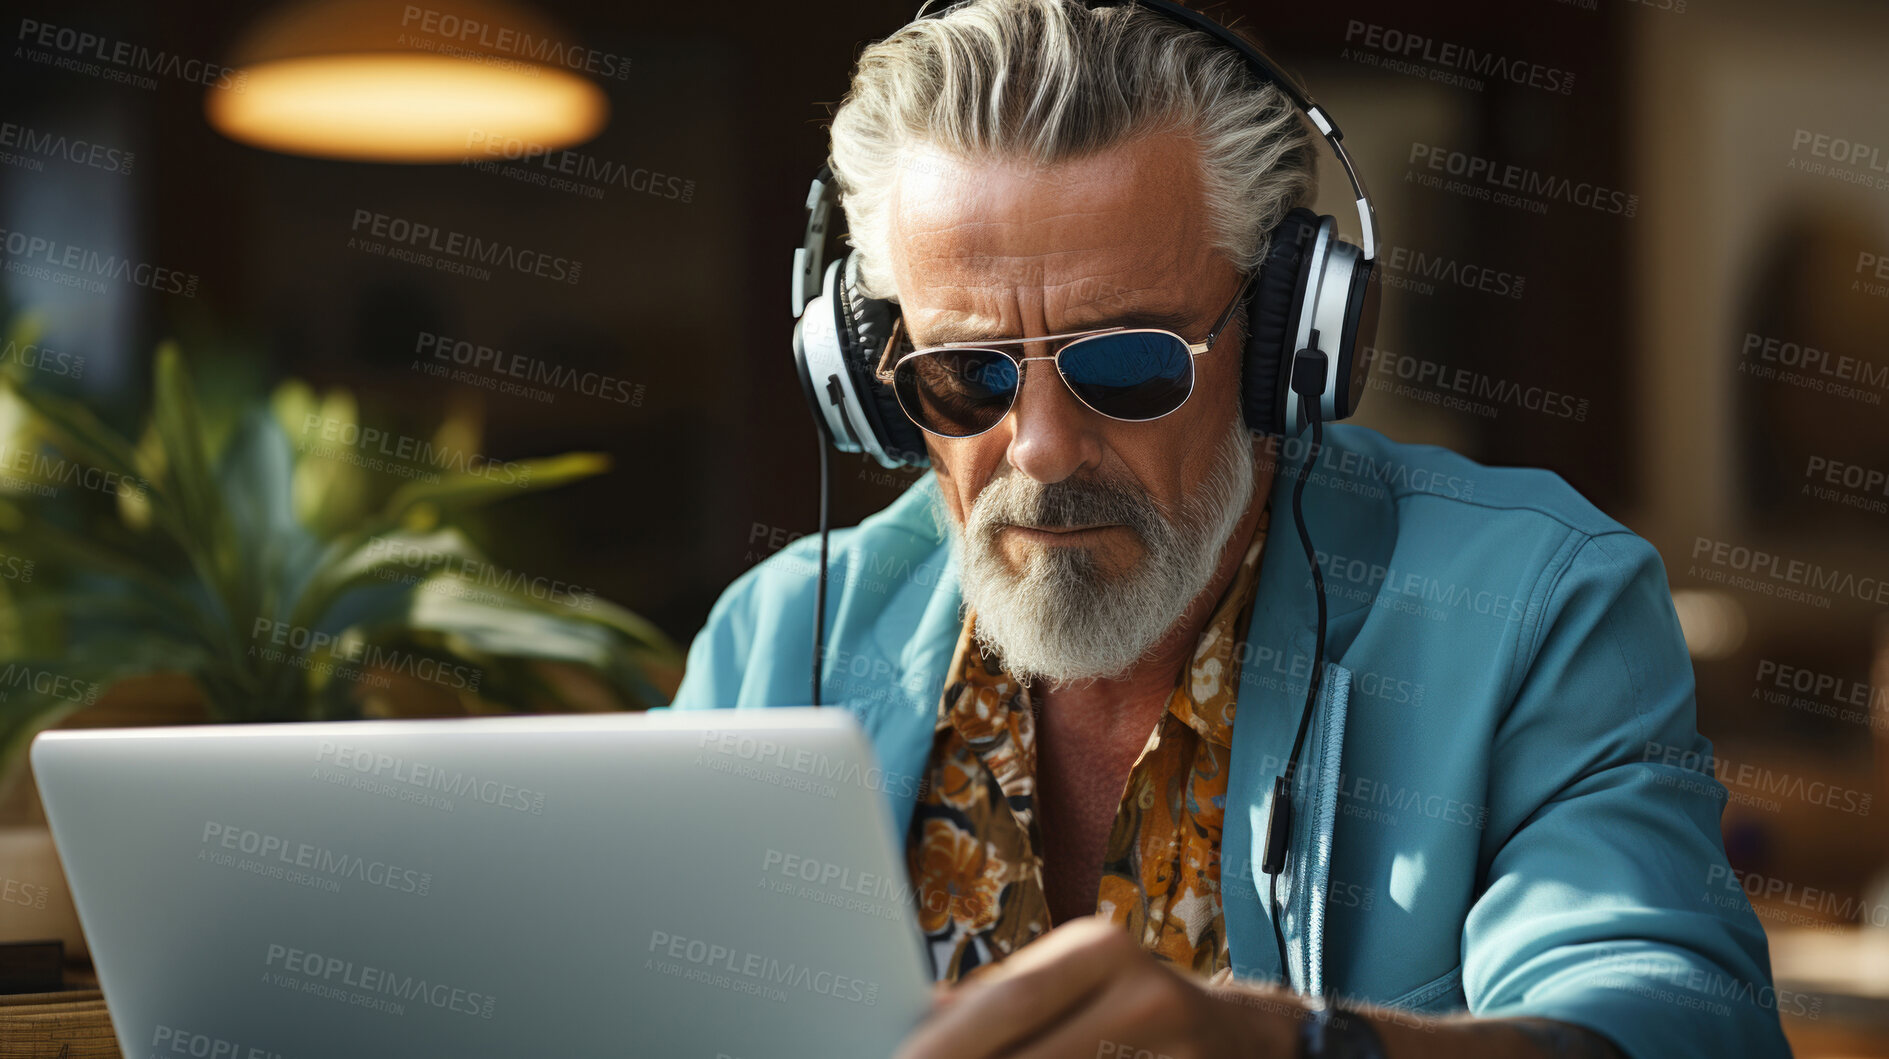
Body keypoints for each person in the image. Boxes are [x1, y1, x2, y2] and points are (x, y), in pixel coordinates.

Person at [671, 1, 1790, 1055]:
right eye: (966, 375)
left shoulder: (1534, 607)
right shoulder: (777, 641)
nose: (1041, 448)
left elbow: (1669, 1014)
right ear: (863, 377)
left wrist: (1294, 1047)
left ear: (1283, 348)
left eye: (1128, 362)